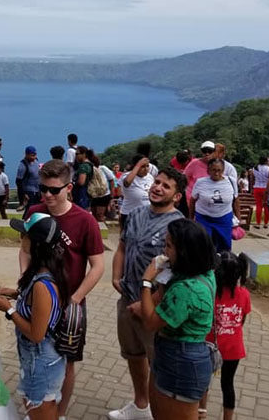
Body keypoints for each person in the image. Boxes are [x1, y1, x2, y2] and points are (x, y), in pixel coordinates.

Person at [22, 159, 105, 420]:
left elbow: (98, 266)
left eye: (54, 190)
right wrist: (25, 279)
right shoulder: (34, 212)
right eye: (42, 188)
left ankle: (60, 412)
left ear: (69, 188)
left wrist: (75, 299)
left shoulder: (84, 221)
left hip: (70, 301)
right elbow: (24, 249)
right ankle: (40, 405)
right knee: (34, 354)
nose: (47, 195)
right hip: (38, 296)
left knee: (66, 360)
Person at [109, 167, 186, 420]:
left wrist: (148, 304)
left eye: (166, 186)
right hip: (127, 298)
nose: (158, 188)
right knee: (133, 354)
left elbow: (176, 273)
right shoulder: (136, 213)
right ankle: (141, 406)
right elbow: (122, 247)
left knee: (158, 363)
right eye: (157, 182)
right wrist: (116, 275)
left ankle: (159, 412)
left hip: (155, 306)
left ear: (177, 196)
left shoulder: (179, 226)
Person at [134, 218, 216, 420]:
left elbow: (151, 322)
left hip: (182, 361)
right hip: (173, 354)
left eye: (169, 246)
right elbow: (161, 300)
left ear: (186, 252)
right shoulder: (204, 272)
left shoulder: (186, 289)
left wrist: (146, 281)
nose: (164, 250)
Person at [0, 213, 69, 420]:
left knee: (40, 410)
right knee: (43, 407)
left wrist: (9, 310)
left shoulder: (42, 285)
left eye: (24, 235)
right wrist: (16, 294)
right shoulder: (44, 272)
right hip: (39, 360)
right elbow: (40, 305)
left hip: (42, 362)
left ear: (36, 244)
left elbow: (37, 334)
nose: (20, 239)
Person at [199, 251, 251, 420]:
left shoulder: (210, 293)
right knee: (228, 385)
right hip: (234, 348)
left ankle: (201, 413)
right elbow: (242, 319)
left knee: (203, 383)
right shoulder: (244, 294)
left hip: (209, 346)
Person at [190, 159, 239, 252]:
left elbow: (236, 200)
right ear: (208, 170)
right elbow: (192, 201)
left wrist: (238, 219)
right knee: (204, 245)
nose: (216, 173)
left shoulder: (231, 181)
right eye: (214, 170)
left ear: (223, 170)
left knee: (224, 246)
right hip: (204, 218)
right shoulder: (200, 182)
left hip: (224, 219)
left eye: (219, 170)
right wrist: (191, 218)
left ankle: (223, 264)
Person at [119, 155, 155, 230]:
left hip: (146, 214)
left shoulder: (150, 177)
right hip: (129, 214)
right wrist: (138, 165)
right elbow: (127, 183)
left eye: (147, 166)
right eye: (142, 166)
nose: (146, 169)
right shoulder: (127, 176)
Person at [16, 146, 41, 212]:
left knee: (37, 210)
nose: (34, 157)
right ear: (27, 154)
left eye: (35, 155)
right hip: (29, 191)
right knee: (29, 210)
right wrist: (23, 194)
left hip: (37, 190)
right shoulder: (23, 165)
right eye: (32, 155)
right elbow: (18, 182)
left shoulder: (36, 161)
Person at [90, 153, 114, 222]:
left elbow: (112, 180)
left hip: (104, 195)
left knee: (99, 215)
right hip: (93, 195)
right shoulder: (89, 170)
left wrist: (111, 196)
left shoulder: (103, 168)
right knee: (94, 215)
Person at [252, 157, 269, 229]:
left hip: (257, 187)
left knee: (258, 206)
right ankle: (266, 223)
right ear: (266, 161)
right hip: (266, 188)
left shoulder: (255, 168)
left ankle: (258, 223)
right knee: (266, 206)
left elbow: (253, 178)